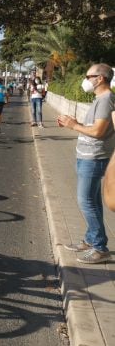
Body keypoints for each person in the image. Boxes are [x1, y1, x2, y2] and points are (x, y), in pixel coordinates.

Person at [58, 63, 114, 263]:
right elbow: (92, 127)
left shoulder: (106, 100)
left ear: (100, 79)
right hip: (87, 156)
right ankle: (92, 239)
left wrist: (73, 126)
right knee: (93, 201)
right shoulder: (100, 99)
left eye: (88, 75)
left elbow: (98, 132)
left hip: (94, 158)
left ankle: (100, 248)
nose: (85, 79)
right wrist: (73, 123)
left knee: (86, 202)